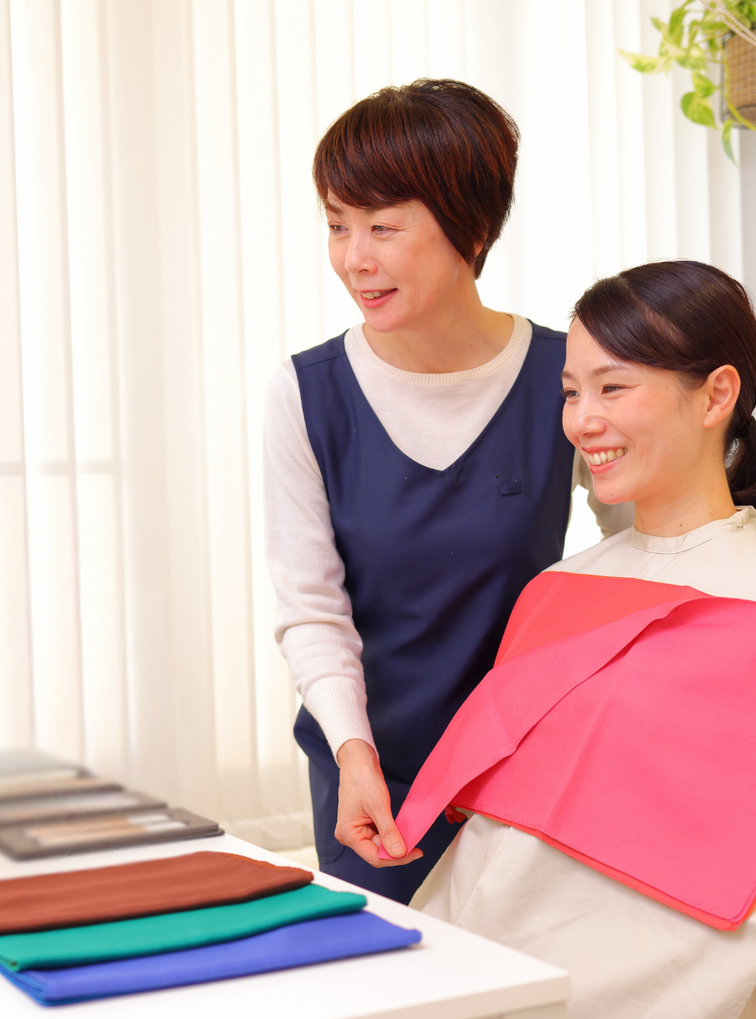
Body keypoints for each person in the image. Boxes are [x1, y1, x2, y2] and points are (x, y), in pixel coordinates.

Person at [405, 260, 756, 1019]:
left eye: (612, 388)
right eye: (570, 392)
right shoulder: (557, 590)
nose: (583, 421)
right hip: (488, 999)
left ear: (715, 395)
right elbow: (491, 851)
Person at [264, 79, 628, 904]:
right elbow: (310, 609)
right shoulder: (307, 393)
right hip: (370, 772)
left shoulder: (564, 376)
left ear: (471, 227)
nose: (354, 258)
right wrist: (353, 753)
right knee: (394, 973)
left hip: (524, 768)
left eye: (383, 227)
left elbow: (639, 550)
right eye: (337, 225)